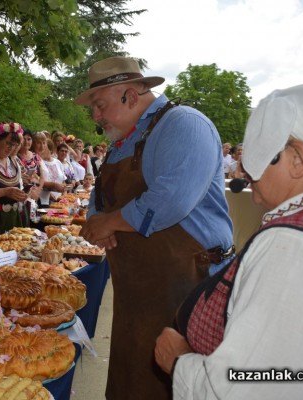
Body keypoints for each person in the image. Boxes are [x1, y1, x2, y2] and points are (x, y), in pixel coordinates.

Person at [155, 82, 303, 399]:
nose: (242, 170)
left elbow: (255, 388)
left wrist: (180, 363)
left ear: (298, 159)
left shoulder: (296, 249)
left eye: (257, 156)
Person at [76, 56, 233, 399]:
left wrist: (112, 222)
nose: (95, 117)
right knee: (131, 384)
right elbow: (98, 197)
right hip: (136, 295)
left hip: (187, 289)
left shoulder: (184, 125)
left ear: (130, 96)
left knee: (173, 384)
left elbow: (170, 199)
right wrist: (96, 222)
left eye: (99, 106)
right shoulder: (122, 142)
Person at [36, 137, 66, 205]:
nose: (42, 148)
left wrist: (63, 195)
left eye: (44, 146)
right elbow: (38, 181)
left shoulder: (58, 162)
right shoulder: (38, 161)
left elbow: (63, 181)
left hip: (59, 200)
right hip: (43, 200)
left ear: (50, 149)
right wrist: (52, 190)